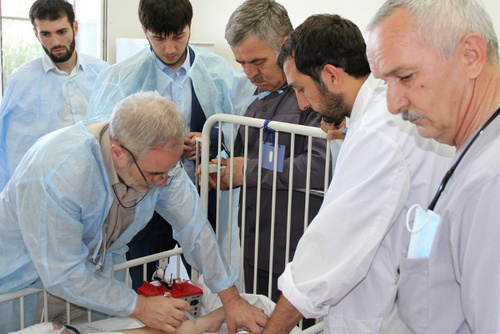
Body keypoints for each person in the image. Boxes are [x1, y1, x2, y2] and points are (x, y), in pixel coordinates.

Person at [0, 91, 267, 334]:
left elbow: (195, 230)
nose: (163, 181)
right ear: (118, 154)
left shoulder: (156, 161)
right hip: (22, 286)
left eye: (169, 170)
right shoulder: (57, 174)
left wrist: (231, 299)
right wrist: (139, 306)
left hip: (95, 283)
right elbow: (63, 273)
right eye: (154, 175)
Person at [263, 14, 455, 333]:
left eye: (302, 89)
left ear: (332, 76)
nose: (303, 104)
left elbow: (329, 250)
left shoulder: (378, 133)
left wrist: (273, 329)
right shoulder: (382, 110)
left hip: (386, 311)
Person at [365, 0, 500, 332]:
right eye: (386, 83)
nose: (394, 104)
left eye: (406, 77)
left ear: (471, 56)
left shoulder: (492, 182)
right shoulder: (473, 152)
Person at [85, 0, 237, 290]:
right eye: (159, 38)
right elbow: (103, 138)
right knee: (142, 276)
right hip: (142, 199)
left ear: (190, 26)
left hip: (205, 194)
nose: (169, 48)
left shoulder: (218, 73)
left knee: (207, 270)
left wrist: (207, 142)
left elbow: (234, 130)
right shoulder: (120, 78)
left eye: (178, 36)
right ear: (145, 31)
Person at [216, 0, 329, 302]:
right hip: (255, 243)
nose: (249, 73)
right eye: (241, 63)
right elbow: (247, 159)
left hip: (298, 248)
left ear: (284, 46)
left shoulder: (313, 96)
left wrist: (248, 170)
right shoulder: (254, 98)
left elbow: (318, 167)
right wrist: (225, 170)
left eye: (257, 61)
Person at [0, 0, 109, 191]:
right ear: (36, 34)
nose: (55, 42)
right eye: (46, 34)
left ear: (75, 27)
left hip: (98, 183)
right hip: (46, 189)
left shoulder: (103, 74)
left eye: (61, 32)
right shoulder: (22, 80)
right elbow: (9, 147)